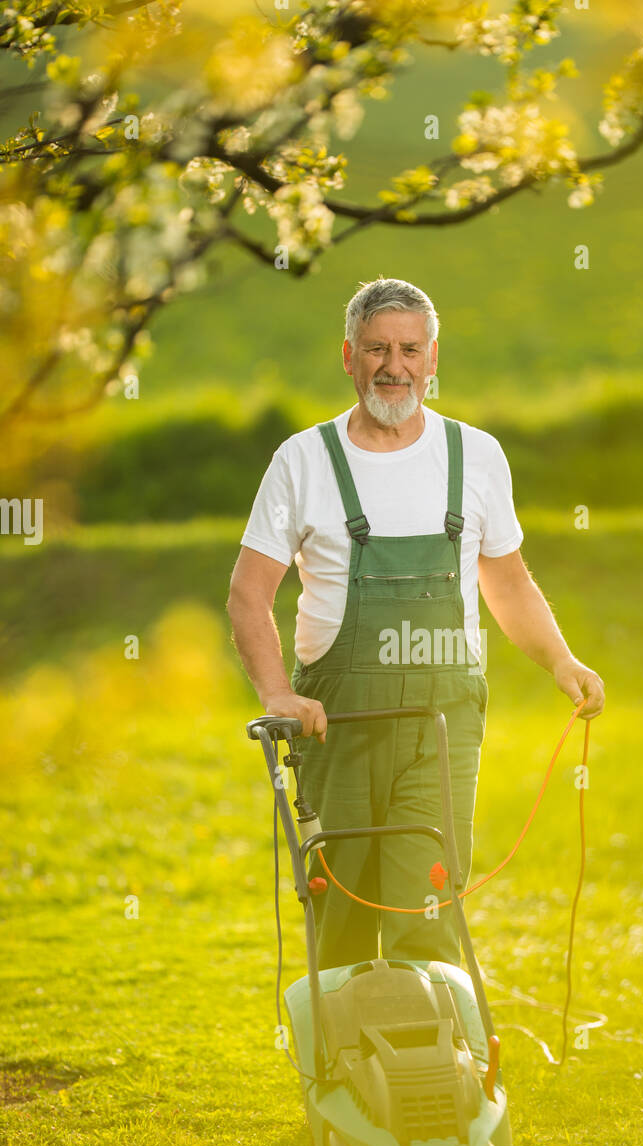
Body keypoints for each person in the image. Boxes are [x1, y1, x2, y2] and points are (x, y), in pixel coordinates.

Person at [227, 276, 604, 970]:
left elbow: (507, 578)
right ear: (348, 356)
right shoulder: (304, 460)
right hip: (338, 721)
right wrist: (278, 695)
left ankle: (431, 1066)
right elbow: (250, 593)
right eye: (376, 349)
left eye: (408, 349)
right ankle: (344, 1068)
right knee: (339, 902)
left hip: (442, 722)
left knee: (426, 901)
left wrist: (562, 661)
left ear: (433, 359)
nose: (393, 366)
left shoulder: (476, 456)